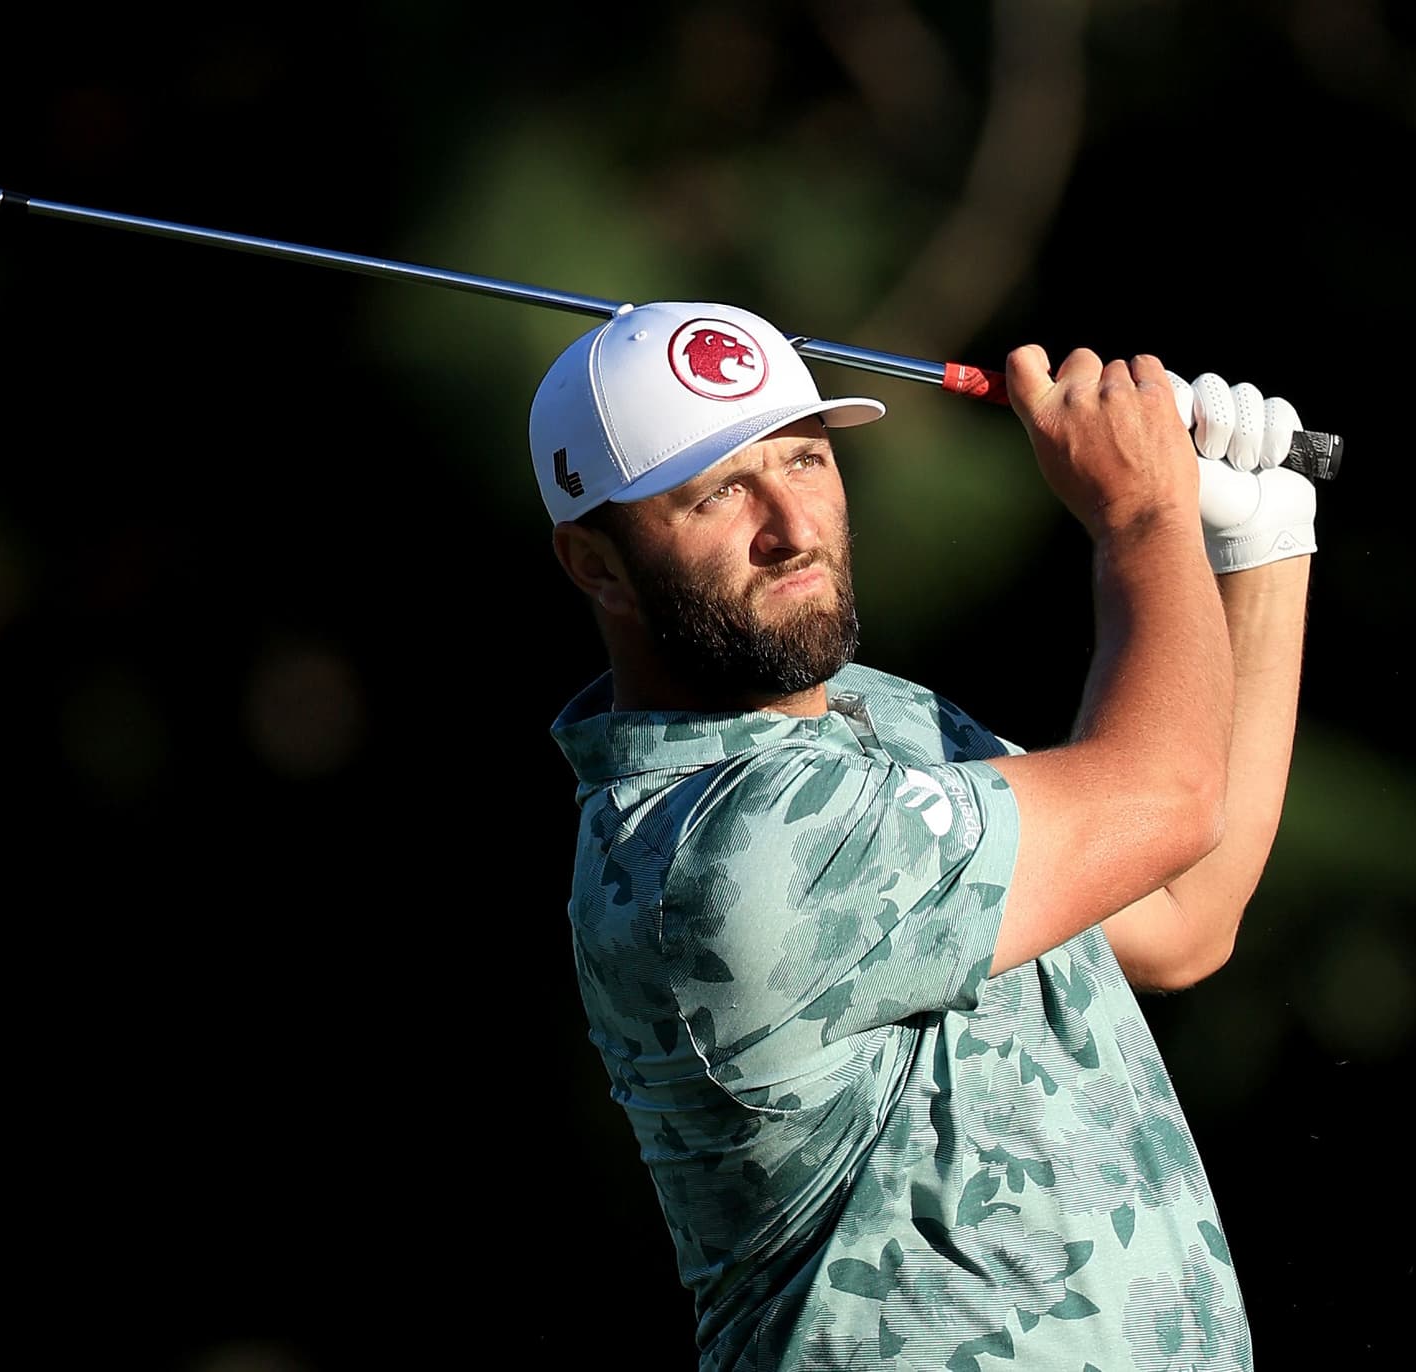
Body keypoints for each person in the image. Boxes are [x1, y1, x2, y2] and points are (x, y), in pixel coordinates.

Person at [531, 299, 1316, 1371]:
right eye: (718, 492)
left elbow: (1182, 908)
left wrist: (1259, 542)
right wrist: (1145, 513)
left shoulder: (876, 718)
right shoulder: (724, 849)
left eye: (805, 460)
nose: (793, 526)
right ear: (595, 564)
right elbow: (1167, 795)